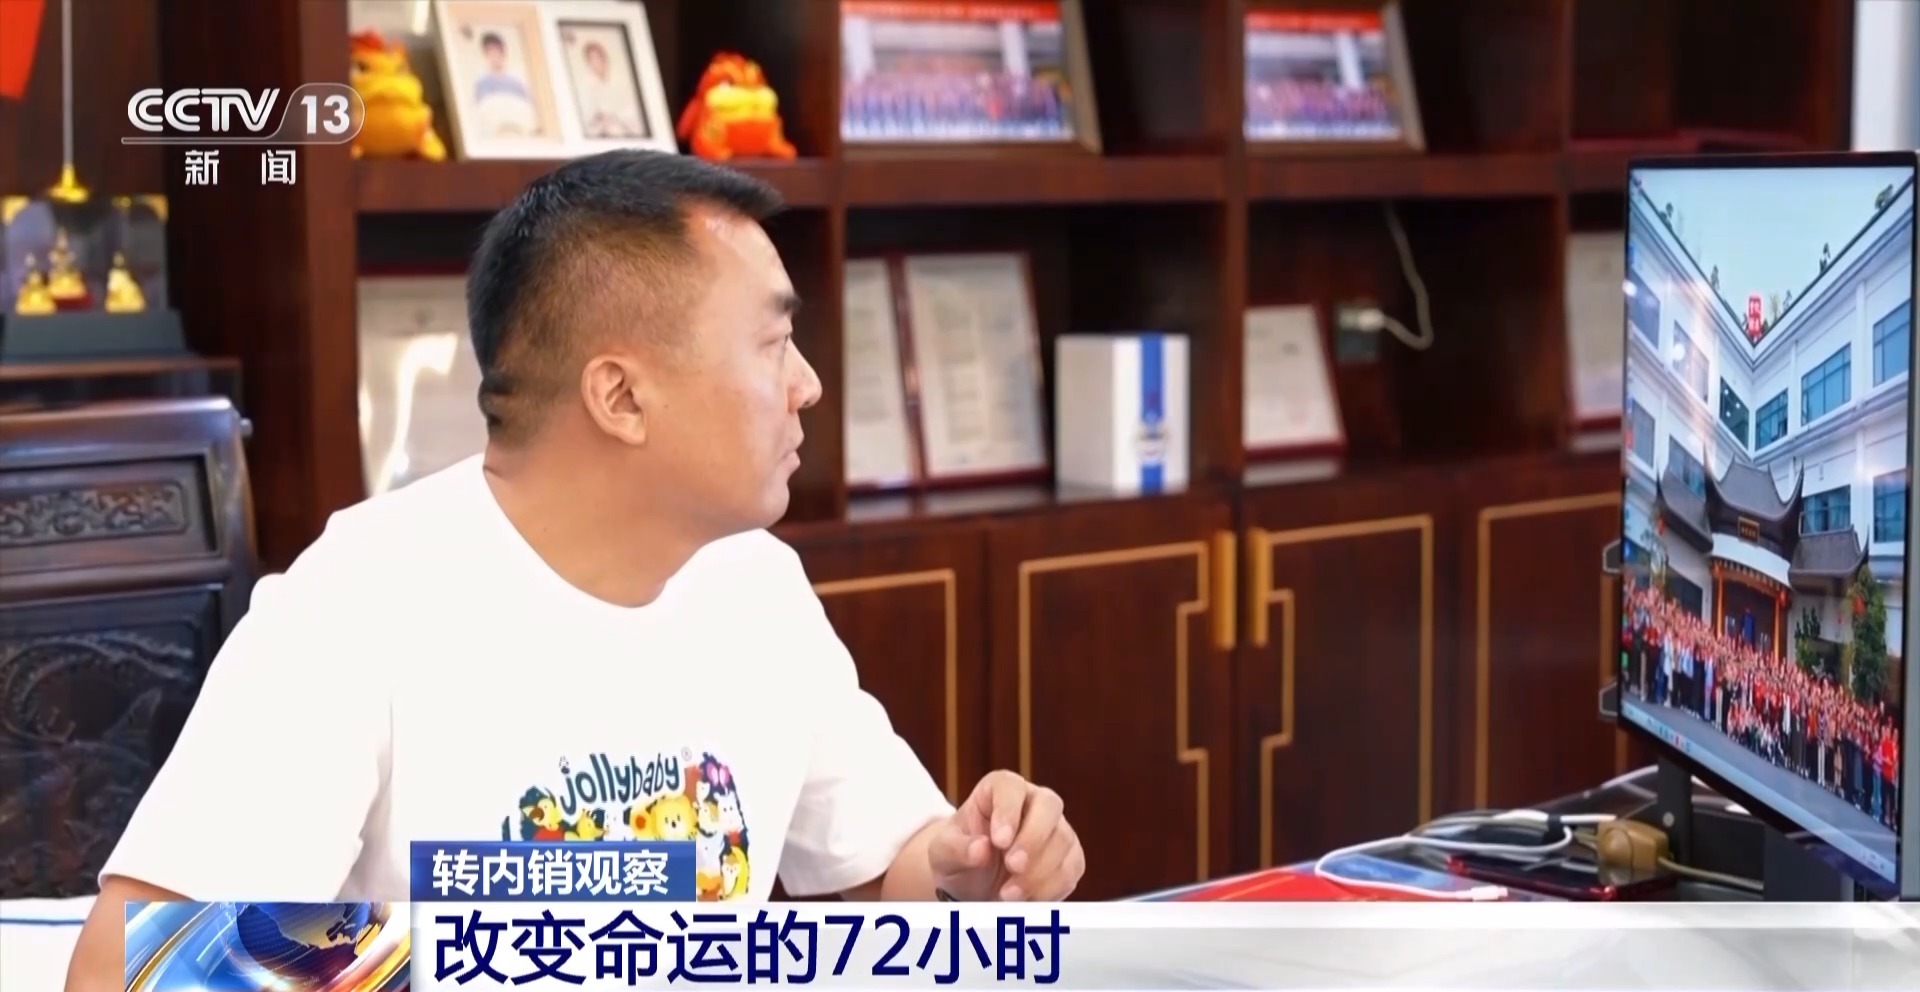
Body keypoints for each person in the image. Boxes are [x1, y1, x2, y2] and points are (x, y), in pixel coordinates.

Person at [63, 151, 1084, 991]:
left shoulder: (756, 587)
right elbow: (123, 971)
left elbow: (878, 872)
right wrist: (513, 955)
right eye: (774, 341)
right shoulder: (359, 603)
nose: (808, 383)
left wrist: (965, 866)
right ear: (621, 397)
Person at [572, 39, 644, 139]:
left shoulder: (620, 77)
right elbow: (590, 112)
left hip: (627, 124)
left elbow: (630, 106)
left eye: (597, 58)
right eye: (591, 59)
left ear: (603, 58)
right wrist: (599, 117)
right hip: (606, 128)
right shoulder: (590, 84)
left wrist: (613, 116)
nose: (595, 63)